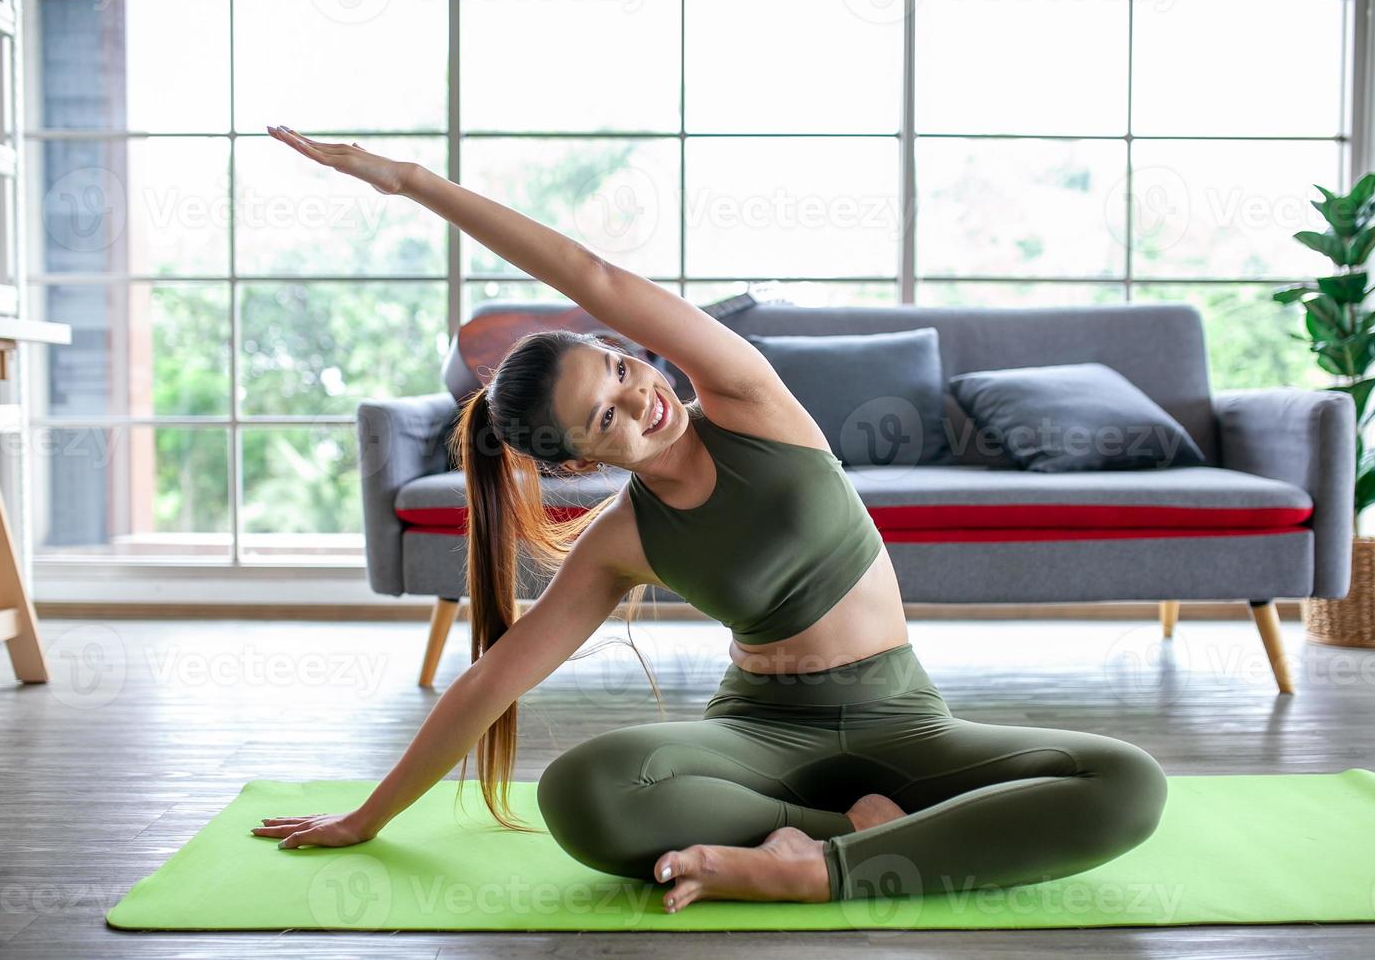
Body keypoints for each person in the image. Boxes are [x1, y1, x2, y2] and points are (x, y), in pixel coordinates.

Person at [250, 126, 1169, 913]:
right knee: (586, 795)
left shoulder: (747, 398)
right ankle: (854, 839)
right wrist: (366, 817)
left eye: (617, 367)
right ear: (579, 460)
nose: (637, 397)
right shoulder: (623, 539)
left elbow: (591, 273)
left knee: (1128, 785)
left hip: (906, 722)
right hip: (758, 737)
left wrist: (410, 182)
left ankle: (817, 872)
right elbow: (495, 680)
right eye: (604, 416)